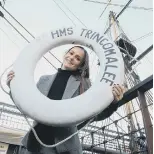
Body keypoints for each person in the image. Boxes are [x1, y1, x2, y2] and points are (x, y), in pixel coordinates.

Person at [7, 46, 125, 154]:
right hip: (34, 145)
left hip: (63, 149)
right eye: (71, 53)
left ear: (81, 65)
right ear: (65, 54)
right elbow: (26, 106)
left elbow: (95, 115)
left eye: (77, 58)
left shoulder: (84, 85)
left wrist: (113, 103)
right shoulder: (43, 80)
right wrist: (13, 88)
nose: (72, 58)